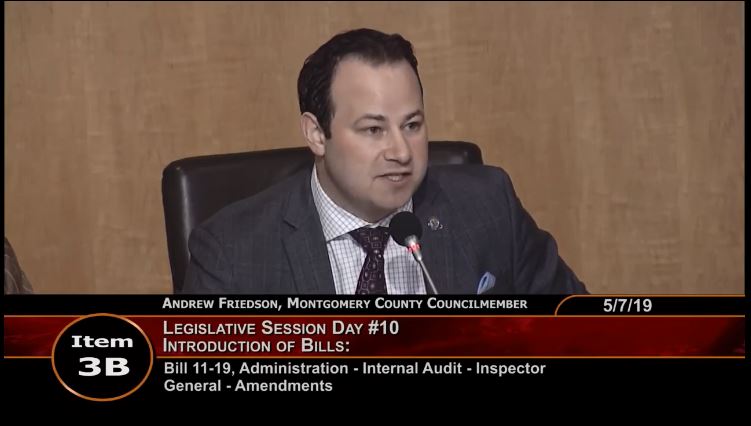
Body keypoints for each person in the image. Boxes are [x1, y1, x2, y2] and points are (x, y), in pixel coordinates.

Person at [182, 28, 587, 295]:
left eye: (412, 125)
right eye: (374, 129)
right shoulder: (232, 252)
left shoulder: (488, 207)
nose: (401, 151)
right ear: (316, 133)